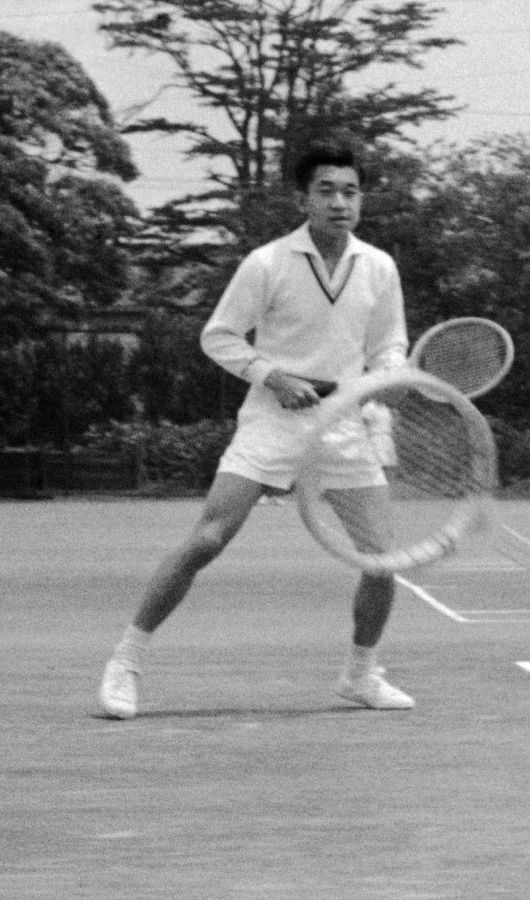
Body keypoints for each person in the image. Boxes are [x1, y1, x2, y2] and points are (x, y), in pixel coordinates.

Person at [97, 141, 414, 720]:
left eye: (350, 191)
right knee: (207, 539)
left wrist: (383, 381)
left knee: (381, 560)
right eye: (326, 190)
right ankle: (125, 661)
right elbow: (219, 336)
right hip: (273, 419)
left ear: (361, 199)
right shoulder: (266, 262)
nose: (340, 202)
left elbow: (388, 342)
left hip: (344, 426)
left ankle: (361, 675)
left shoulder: (379, 267)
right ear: (303, 198)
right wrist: (273, 377)